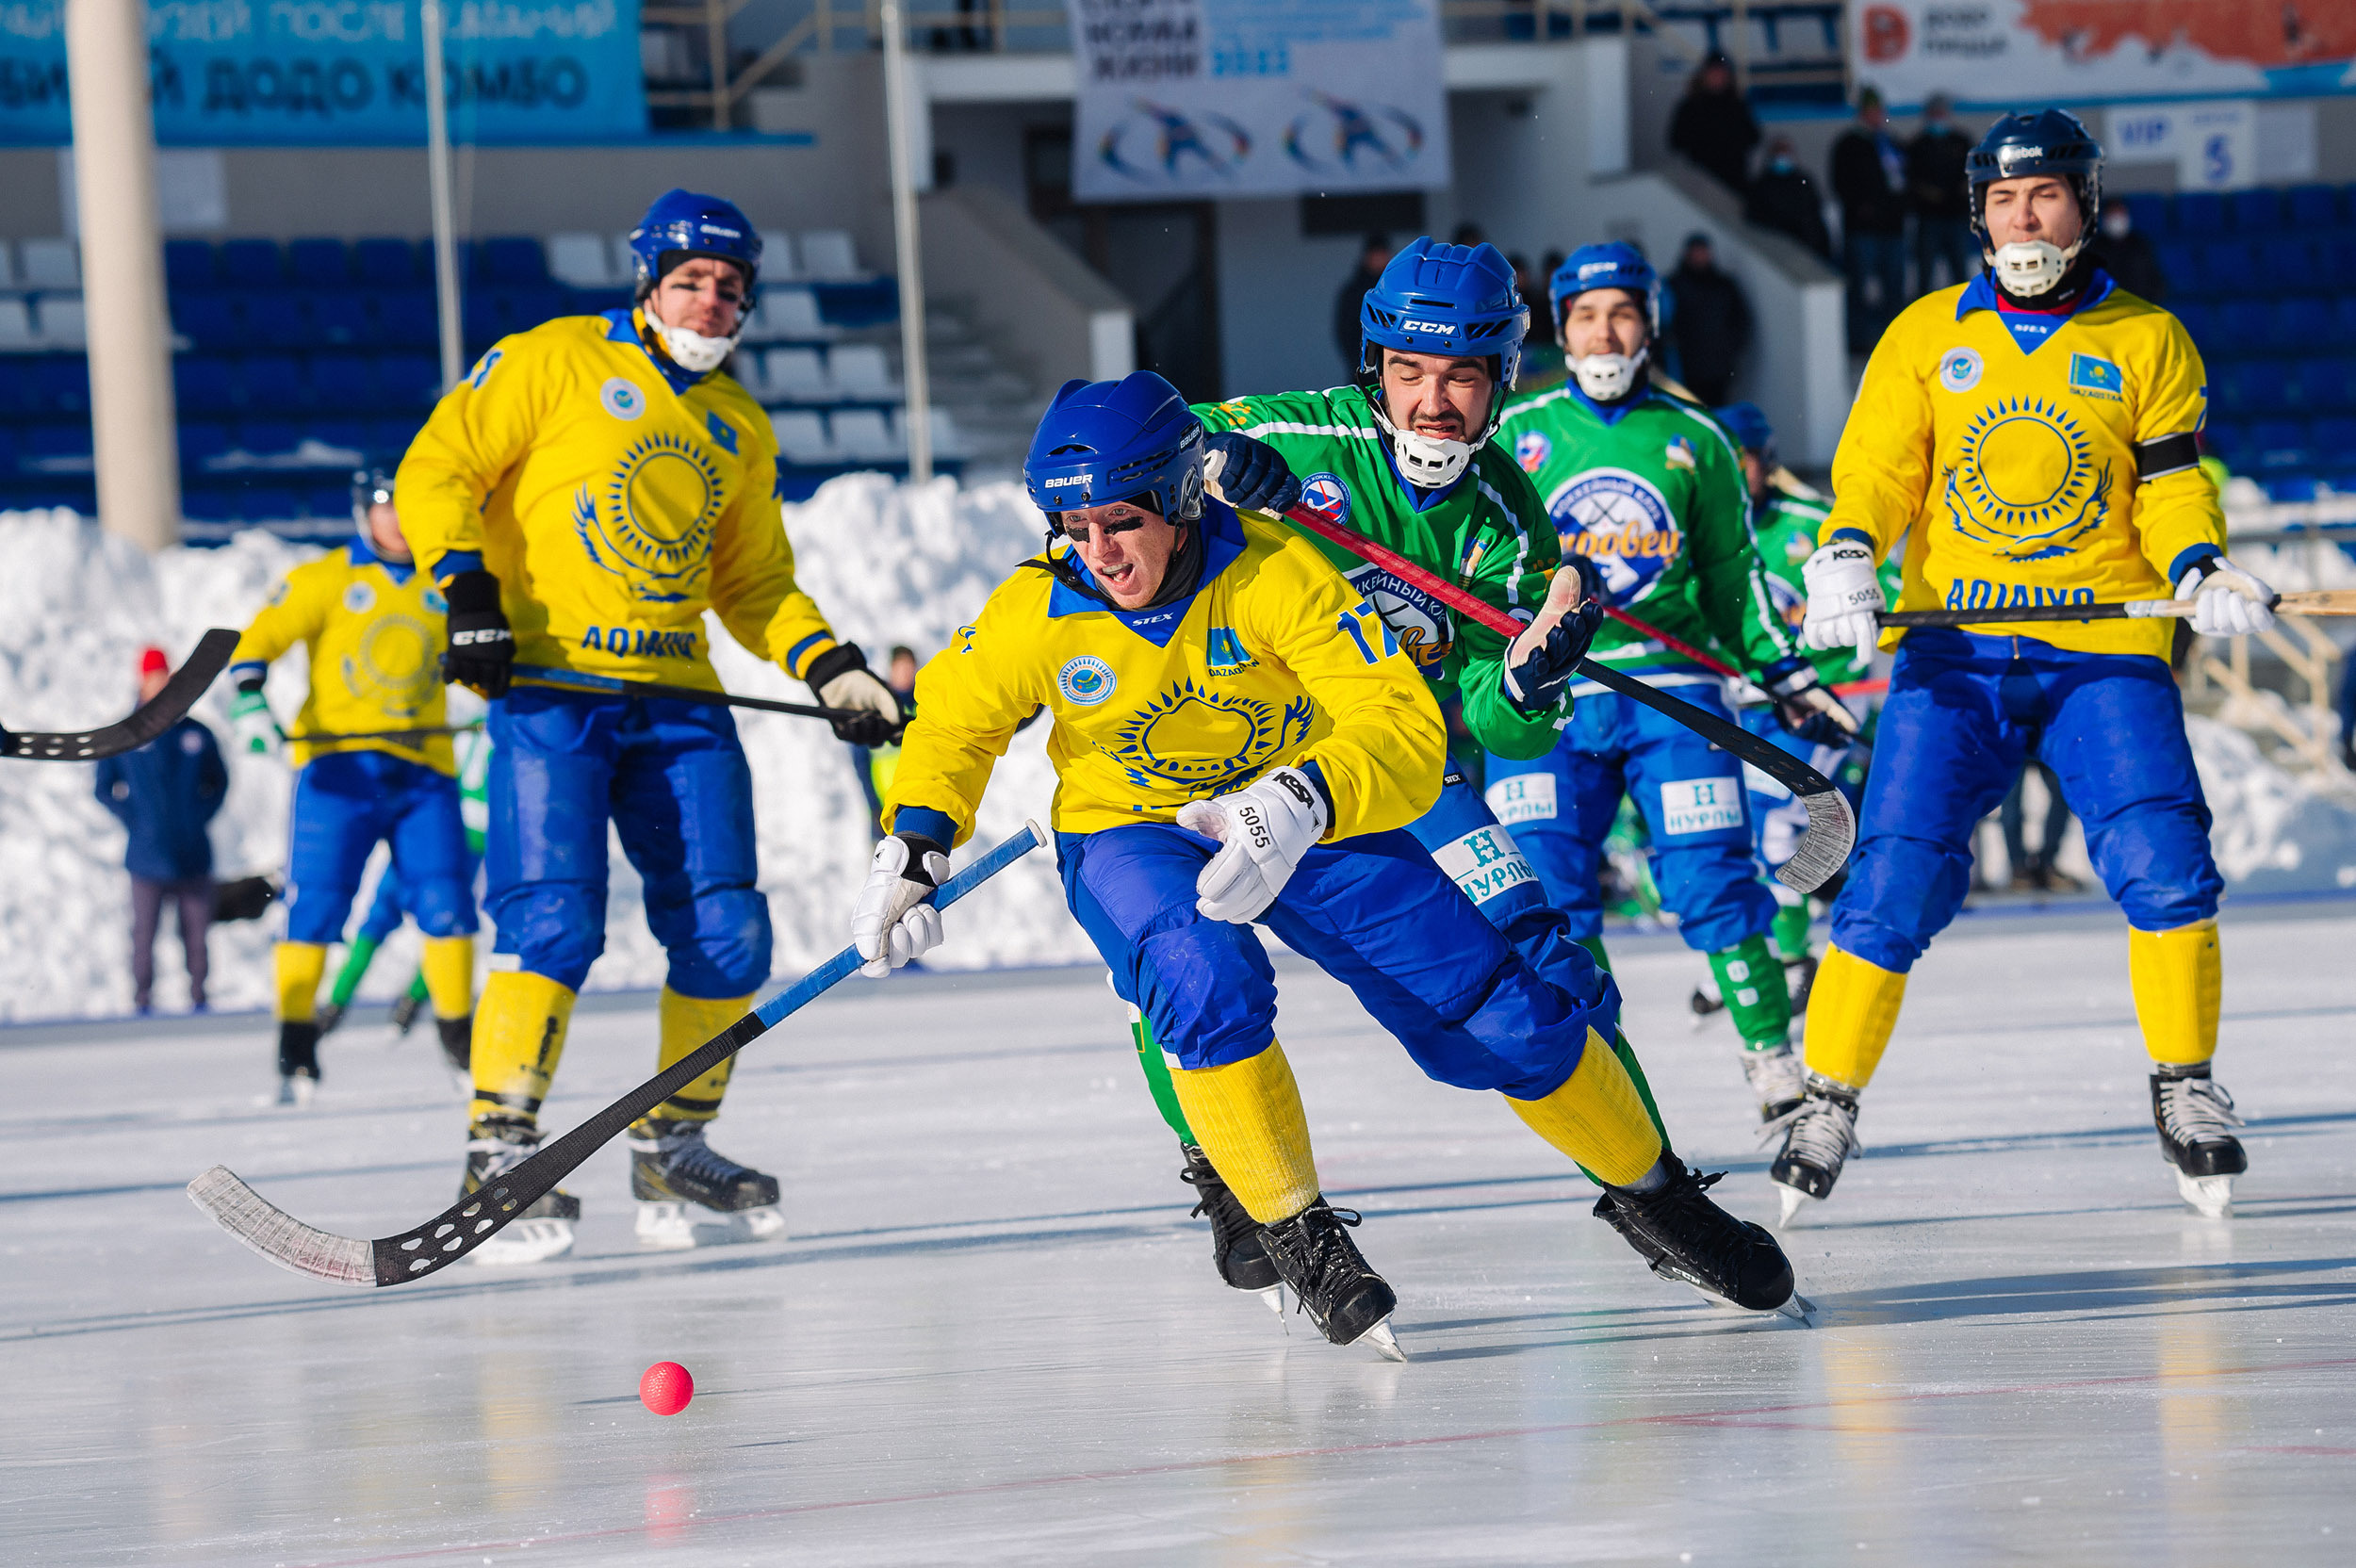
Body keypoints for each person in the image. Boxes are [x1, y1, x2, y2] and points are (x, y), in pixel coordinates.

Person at [851, 371, 1800, 1352]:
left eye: (1121, 520)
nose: (1098, 552)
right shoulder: (1033, 607)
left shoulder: (1273, 573)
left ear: (1178, 499)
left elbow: (1396, 724)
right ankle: (1292, 1225)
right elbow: (954, 727)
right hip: (1130, 827)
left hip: (1305, 812)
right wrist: (913, 848)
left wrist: (1301, 800)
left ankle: (1656, 1198)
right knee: (1198, 972)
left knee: (1506, 1013)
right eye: (1073, 523)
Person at [398, 188, 905, 1263]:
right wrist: (467, 591)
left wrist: (833, 667)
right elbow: (437, 468)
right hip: (552, 691)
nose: (712, 301)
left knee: (728, 929)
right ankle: (499, 1150)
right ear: (647, 281)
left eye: (731, 288)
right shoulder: (552, 360)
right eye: (691, 280)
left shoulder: (738, 426)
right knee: (554, 922)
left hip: (679, 700)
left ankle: (674, 1140)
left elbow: (756, 582)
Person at [1783, 109, 2273, 1222]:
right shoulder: (1920, 335)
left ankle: (2185, 1087)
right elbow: (1874, 473)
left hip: (2101, 650)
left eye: (2044, 195)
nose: (2024, 217)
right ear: (1975, 213)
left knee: (2165, 860)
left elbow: (2170, 481)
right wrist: (1846, 551)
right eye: (2003, 200)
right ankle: (1826, 1097)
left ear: (2084, 205)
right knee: (1891, 879)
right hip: (1955, 649)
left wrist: (2199, 562)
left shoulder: (2149, 336)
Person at [1177, 236, 1677, 1302]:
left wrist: (1534, 674)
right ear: (1375, 365)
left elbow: (1510, 728)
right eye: (1408, 372)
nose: (1432, 403)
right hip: (1231, 751)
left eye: (1460, 376)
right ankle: (1228, 1175)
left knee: (1554, 964)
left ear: (1502, 379)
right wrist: (1211, 463)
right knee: (1186, 962)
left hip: (1397, 770)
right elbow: (1141, 438)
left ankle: (1654, 1191)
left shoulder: (1504, 517)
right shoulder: (1301, 427)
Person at [1488, 244, 1857, 1123]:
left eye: (1621, 313)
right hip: (1554, 690)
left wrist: (1788, 673)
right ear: (1560, 329)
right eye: (1585, 315)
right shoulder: (1515, 435)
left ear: (1650, 325)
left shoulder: (1697, 439)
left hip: (1674, 694)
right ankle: (1606, 1082)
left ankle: (1772, 1057)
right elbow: (1476, 564)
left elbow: (1734, 579)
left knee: (1710, 882)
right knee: (1551, 896)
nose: (1603, 331)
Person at [230, 467, 477, 1107]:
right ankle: (296, 1046)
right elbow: (259, 640)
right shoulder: (327, 579)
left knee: (448, 904)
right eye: (382, 508)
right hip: (337, 773)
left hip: (424, 772)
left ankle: (460, 1041)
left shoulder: (447, 585)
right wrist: (250, 700)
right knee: (317, 907)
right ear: (361, 514)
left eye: (404, 508)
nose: (394, 520)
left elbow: (495, 650)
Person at [1711, 401, 1893, 1041]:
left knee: (1776, 817)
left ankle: (1789, 961)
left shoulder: (1812, 525)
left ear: (1767, 462)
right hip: (1746, 701)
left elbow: (1885, 593)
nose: (1735, 477)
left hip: (1825, 694)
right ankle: (1760, 944)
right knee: (1732, 825)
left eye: (1745, 463)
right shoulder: (1706, 528)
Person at [317, 727, 492, 1065]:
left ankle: (335, 1008)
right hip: (453, 842)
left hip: (431, 832)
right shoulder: (503, 731)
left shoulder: (466, 727)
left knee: (383, 921)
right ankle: (410, 1007)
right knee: (447, 926)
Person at [96, 646, 227, 1015]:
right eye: (154, 677)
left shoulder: (197, 733)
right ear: (141, 679)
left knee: (197, 937)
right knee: (143, 937)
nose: (160, 683)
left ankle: (200, 999)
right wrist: (136, 821)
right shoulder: (126, 734)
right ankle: (142, 1003)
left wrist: (198, 816)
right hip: (146, 858)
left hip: (193, 855)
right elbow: (104, 786)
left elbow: (219, 782)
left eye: (165, 676)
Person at [1831, 89, 1911, 348]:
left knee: (1894, 289)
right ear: (1862, 113)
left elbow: (1904, 181)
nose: (1877, 117)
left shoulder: (1891, 143)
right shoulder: (1848, 144)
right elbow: (1840, 183)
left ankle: (1897, 341)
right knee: (1859, 289)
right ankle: (1859, 342)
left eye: (1880, 111)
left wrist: (1900, 209)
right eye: (1872, 112)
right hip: (1862, 230)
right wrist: (1862, 208)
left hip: (1893, 229)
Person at [1665, 233, 1753, 406]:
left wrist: (1730, 349)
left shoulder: (1724, 285)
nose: (1700, 257)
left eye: (1703, 252)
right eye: (1696, 252)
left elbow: (1741, 320)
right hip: (1686, 367)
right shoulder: (1674, 285)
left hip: (1719, 367)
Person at [847, 645, 920, 837]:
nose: (905, 672)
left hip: (919, 805)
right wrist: (873, 804)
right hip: (884, 805)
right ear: (892, 668)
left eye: (909, 666)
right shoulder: (877, 709)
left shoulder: (924, 706)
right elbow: (860, 760)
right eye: (901, 666)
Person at [1906, 93, 1976, 292]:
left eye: (1942, 111)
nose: (1939, 116)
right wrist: (1927, 194)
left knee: (1960, 271)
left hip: (1956, 216)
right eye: (1935, 112)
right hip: (1928, 218)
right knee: (1925, 273)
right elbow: (1910, 179)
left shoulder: (1961, 141)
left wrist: (1961, 190)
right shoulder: (1918, 145)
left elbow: (1973, 172)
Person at [1667, 53, 1760, 197]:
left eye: (1721, 73)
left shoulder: (1737, 106)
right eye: (1713, 73)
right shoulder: (1689, 107)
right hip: (1701, 183)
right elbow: (1676, 141)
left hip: (1733, 183)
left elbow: (1754, 137)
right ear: (1703, 75)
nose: (1717, 77)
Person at [1745, 137, 1832, 259]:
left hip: (1806, 243)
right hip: (1776, 245)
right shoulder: (1762, 184)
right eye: (1779, 151)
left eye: (1785, 151)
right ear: (1771, 155)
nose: (1782, 156)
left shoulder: (1803, 181)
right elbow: (1755, 215)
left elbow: (1814, 210)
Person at [1999, 759, 2077, 891]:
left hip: (2042, 740)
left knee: (2062, 794)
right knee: (2011, 805)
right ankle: (2019, 868)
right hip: (2012, 742)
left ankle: (2046, 865)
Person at [1332, 234, 1396, 375]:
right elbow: (1345, 331)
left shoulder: (1395, 290)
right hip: (1363, 366)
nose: (1381, 259)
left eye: (1384, 254)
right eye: (1377, 254)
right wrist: (1359, 362)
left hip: (1393, 365)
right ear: (1367, 256)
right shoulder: (1354, 292)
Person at [2093, 202, 2168, 303]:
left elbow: (2155, 282)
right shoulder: (2095, 248)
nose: (2117, 220)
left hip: (2140, 306)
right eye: (2113, 215)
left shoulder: (2140, 245)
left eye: (2120, 214)